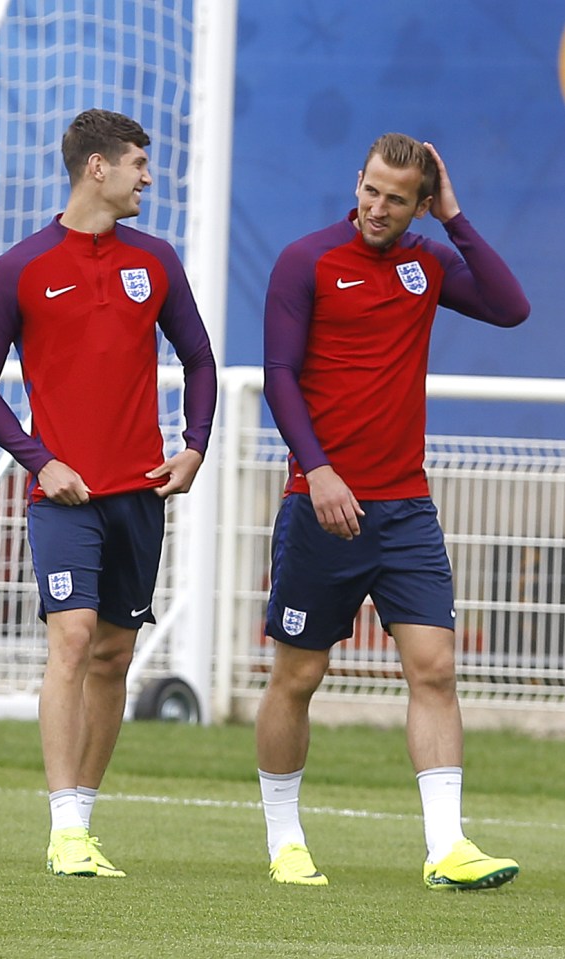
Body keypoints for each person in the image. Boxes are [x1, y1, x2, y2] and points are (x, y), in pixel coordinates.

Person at [257, 133, 530, 889]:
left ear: (418, 206)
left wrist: (456, 217)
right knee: (298, 677)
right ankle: (284, 839)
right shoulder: (304, 260)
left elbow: (511, 308)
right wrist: (318, 472)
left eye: (396, 199)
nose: (376, 208)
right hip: (320, 505)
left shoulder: (428, 261)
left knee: (435, 669)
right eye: (370, 190)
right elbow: (279, 375)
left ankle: (446, 847)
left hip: (406, 507)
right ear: (358, 182)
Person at [0, 108, 217, 878]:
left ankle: (85, 818)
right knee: (71, 639)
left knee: (113, 658)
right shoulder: (20, 267)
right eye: (139, 162)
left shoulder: (157, 260)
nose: (149, 176)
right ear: (96, 168)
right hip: (63, 499)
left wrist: (195, 444)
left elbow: (200, 361)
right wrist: (40, 461)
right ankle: (64, 831)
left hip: (140, 493)